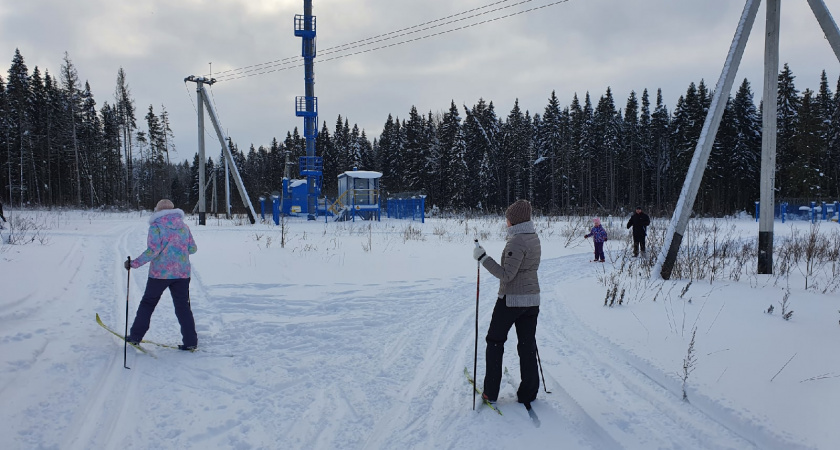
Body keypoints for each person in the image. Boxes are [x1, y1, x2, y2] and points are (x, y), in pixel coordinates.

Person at [472, 199, 541, 405]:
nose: (506, 222)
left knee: (494, 341)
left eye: (508, 218)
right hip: (532, 300)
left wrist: (483, 258)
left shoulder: (517, 241)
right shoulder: (533, 237)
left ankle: (490, 392)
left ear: (515, 220)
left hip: (511, 301)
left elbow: (506, 275)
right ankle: (529, 392)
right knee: (527, 344)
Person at [125, 199, 198, 351]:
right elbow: (192, 249)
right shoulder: (184, 227)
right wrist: (179, 251)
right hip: (182, 273)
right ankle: (190, 341)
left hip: (160, 274)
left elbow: (153, 251)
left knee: (148, 304)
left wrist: (134, 263)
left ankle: (135, 337)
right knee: (183, 307)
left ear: (158, 210)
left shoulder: (156, 226)